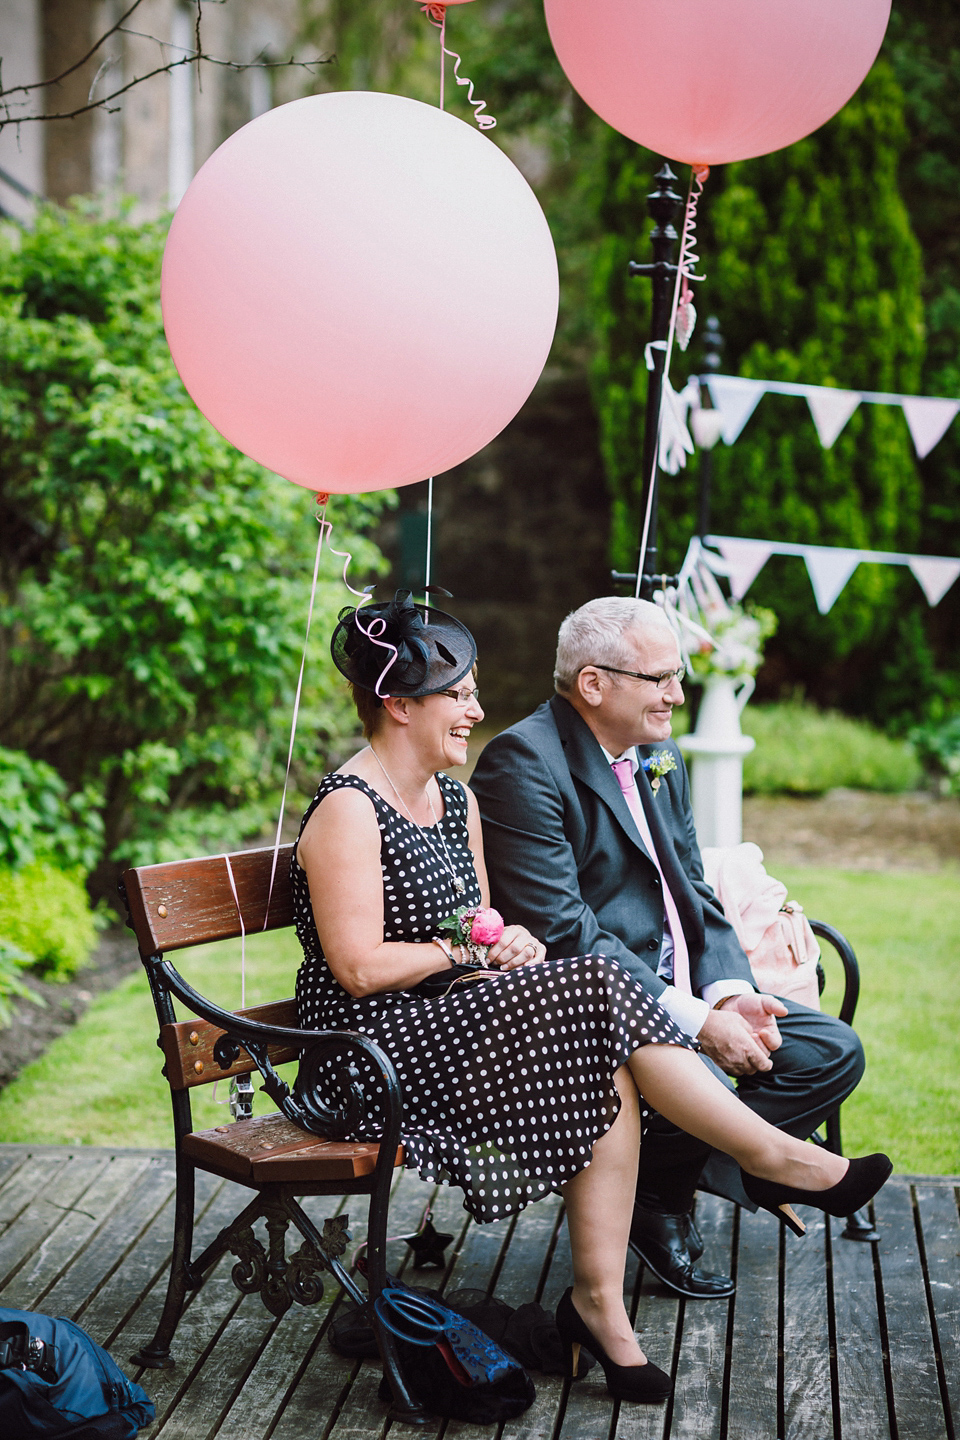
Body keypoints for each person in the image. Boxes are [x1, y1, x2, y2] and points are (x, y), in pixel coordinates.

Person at [292, 591, 890, 1405]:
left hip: (453, 1025)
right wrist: (471, 946)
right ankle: (772, 1158)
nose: (476, 710)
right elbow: (358, 968)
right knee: (599, 988)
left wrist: (508, 946)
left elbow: (481, 926)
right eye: (459, 694)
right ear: (399, 705)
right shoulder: (346, 812)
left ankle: (599, 1309)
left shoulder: (455, 802)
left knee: (600, 1042)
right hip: (369, 1057)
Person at [470, 595, 867, 1301]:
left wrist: (730, 993)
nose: (678, 695)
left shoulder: (658, 753)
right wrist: (694, 1022)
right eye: (661, 679)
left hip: (680, 990)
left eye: (676, 676)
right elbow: (565, 932)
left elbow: (694, 889)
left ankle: (658, 1188)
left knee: (828, 1053)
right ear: (594, 684)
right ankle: (721, 1178)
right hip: (597, 1012)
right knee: (710, 1079)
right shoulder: (522, 763)